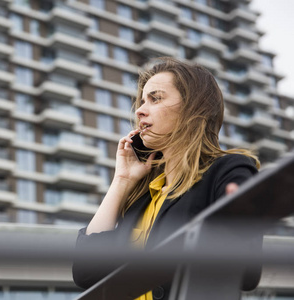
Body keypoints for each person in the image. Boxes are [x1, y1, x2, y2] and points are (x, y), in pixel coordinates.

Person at [72, 57, 261, 300]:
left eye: (156, 98)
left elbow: (247, 273)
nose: (140, 110)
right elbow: (85, 272)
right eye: (142, 101)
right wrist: (122, 180)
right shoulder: (143, 196)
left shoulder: (228, 171)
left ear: (193, 108)